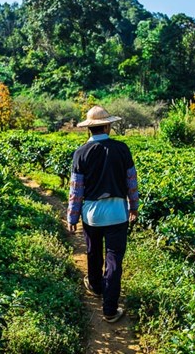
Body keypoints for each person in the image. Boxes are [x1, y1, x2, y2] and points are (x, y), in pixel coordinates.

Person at [67, 105, 139, 323]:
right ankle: (109, 309)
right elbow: (131, 182)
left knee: (93, 251)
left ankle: (96, 287)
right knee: (114, 259)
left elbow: (76, 189)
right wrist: (134, 207)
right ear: (108, 126)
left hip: (92, 215)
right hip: (118, 213)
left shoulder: (80, 153)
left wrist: (72, 217)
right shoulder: (121, 149)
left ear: (89, 129)